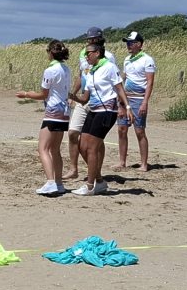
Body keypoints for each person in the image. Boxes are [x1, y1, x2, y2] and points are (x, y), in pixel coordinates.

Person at [14, 40, 74, 196]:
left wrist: (26, 94)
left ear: (51, 53)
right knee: (55, 149)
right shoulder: (66, 69)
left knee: (43, 148)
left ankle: (50, 182)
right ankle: (59, 183)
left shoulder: (50, 70)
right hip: (64, 112)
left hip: (53, 111)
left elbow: (43, 94)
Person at [69, 40, 123, 196]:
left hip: (106, 111)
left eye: (89, 53)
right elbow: (85, 98)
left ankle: (90, 186)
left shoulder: (110, 67)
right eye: (85, 54)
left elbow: (120, 88)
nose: (86, 56)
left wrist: (125, 107)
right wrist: (72, 96)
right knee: (81, 145)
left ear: (97, 53)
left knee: (92, 148)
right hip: (93, 109)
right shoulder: (91, 71)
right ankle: (99, 181)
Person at [65, 26, 103, 180]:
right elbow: (81, 76)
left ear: (99, 39)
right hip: (83, 98)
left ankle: (96, 172)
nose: (90, 41)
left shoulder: (107, 57)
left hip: (97, 100)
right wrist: (73, 95)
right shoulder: (83, 54)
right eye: (88, 39)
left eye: (92, 39)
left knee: (96, 140)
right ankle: (73, 169)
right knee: (73, 133)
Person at [117, 31, 156, 171]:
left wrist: (145, 102)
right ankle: (122, 161)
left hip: (139, 99)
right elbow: (124, 78)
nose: (128, 45)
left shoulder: (147, 60)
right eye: (127, 43)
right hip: (126, 98)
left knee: (139, 131)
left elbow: (150, 82)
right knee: (121, 129)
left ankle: (144, 163)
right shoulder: (127, 59)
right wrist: (120, 99)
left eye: (131, 43)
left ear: (139, 44)